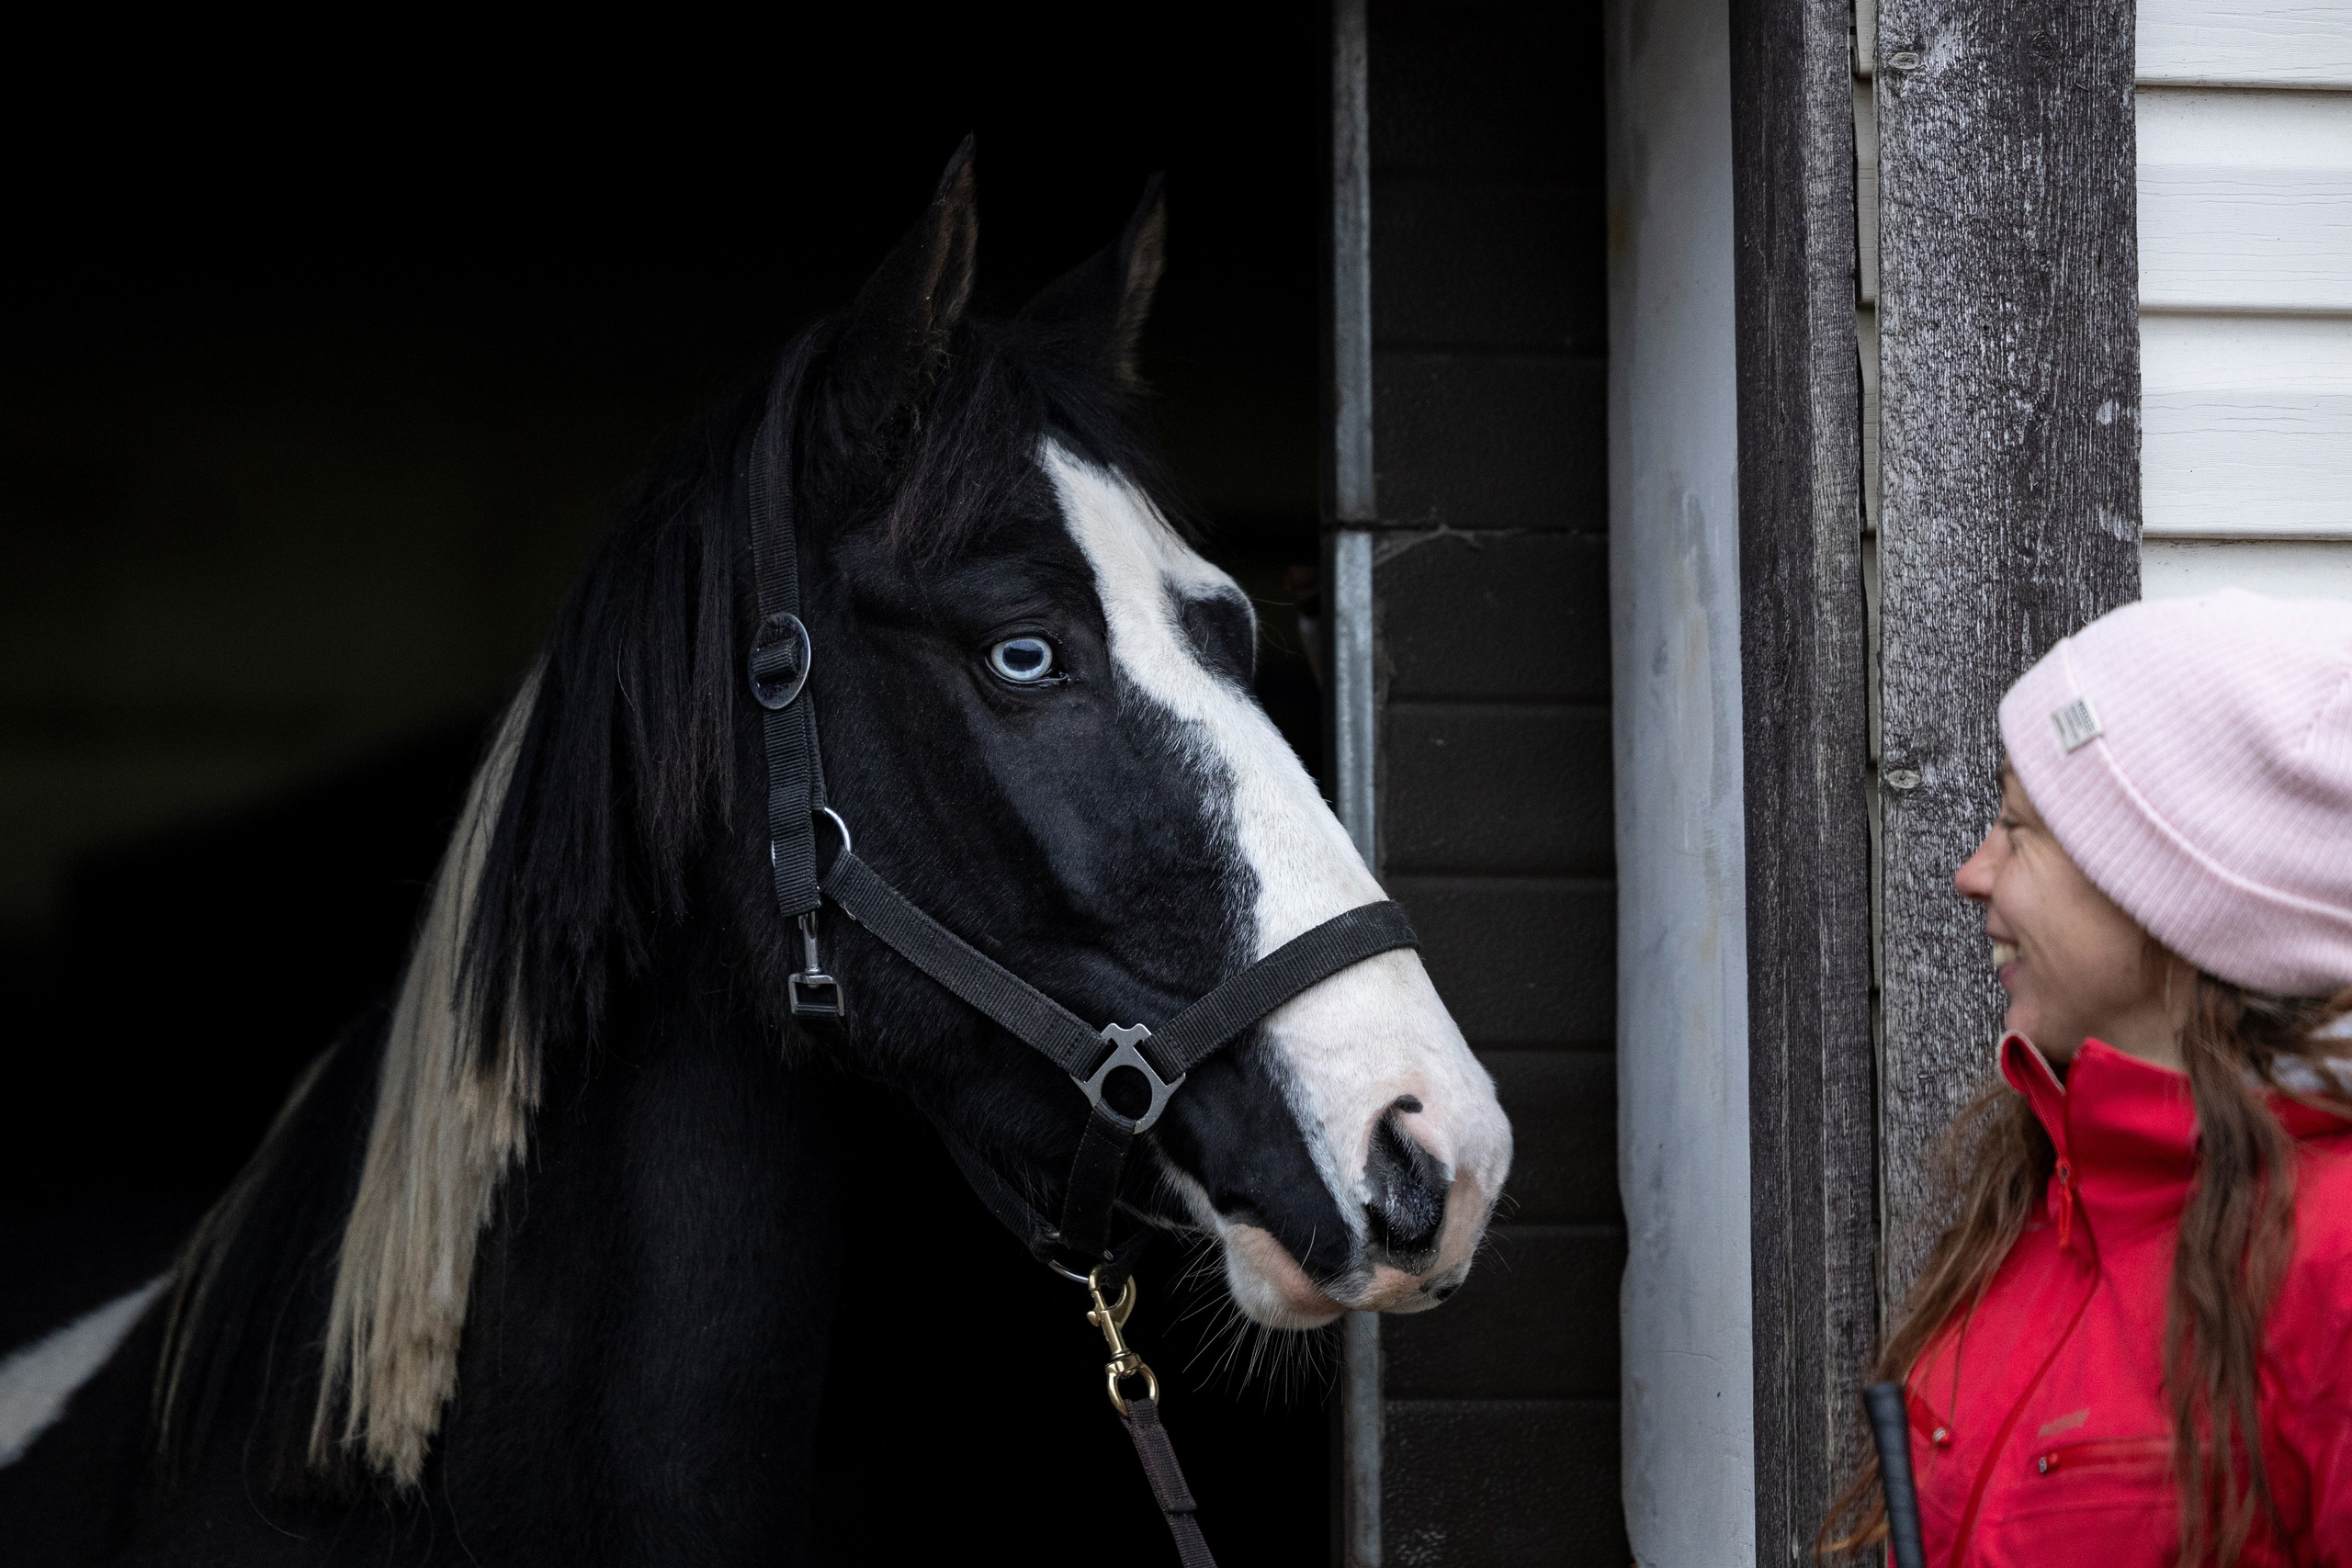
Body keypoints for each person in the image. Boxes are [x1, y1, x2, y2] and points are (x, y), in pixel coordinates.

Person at [1826, 589, 2352, 1565]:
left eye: (2020, 829)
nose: (1970, 873)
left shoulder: (2331, 1258)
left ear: (2176, 890)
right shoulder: (2045, 1207)